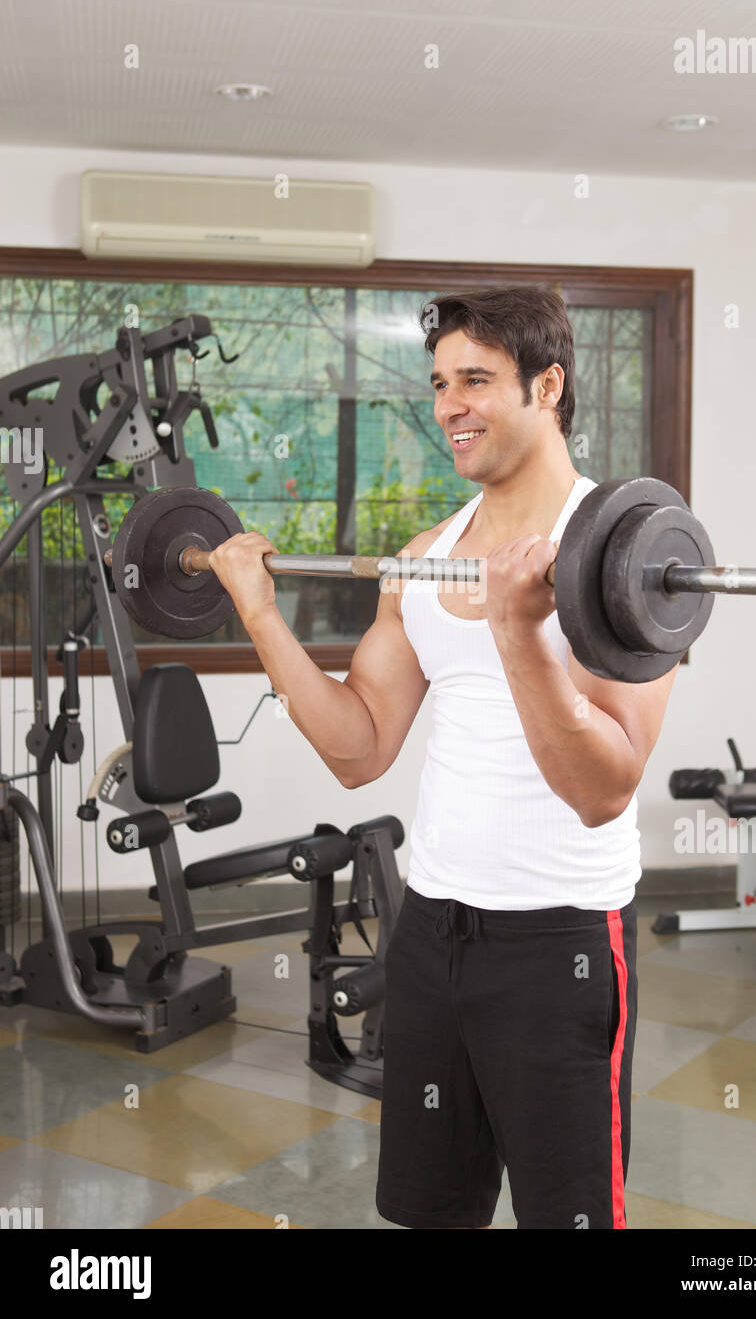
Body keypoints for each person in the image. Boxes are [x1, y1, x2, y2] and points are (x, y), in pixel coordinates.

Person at [207, 285, 677, 1230]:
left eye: (475, 380)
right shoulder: (427, 559)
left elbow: (603, 788)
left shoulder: (627, 556)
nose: (447, 407)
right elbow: (356, 748)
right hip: (430, 934)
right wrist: (260, 612)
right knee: (430, 1210)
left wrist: (519, 633)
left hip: (564, 944)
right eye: (437, 384)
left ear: (548, 387)